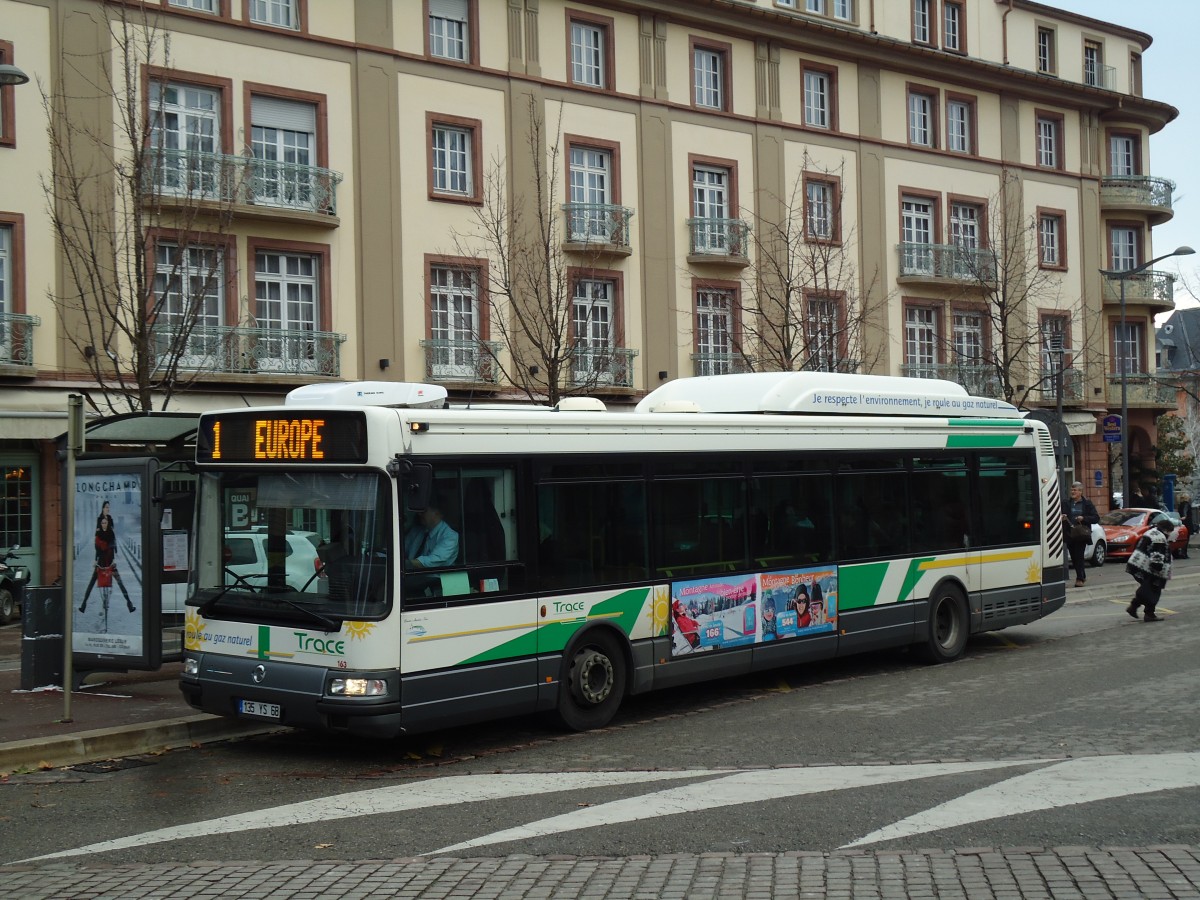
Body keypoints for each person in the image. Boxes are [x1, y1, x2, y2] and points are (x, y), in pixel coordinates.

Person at [79, 514, 135, 614]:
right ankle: (83, 604)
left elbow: (113, 548)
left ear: (108, 524)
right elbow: (97, 550)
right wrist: (95, 561)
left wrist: (113, 561)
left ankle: (129, 604)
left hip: (109, 561)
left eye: (105, 523)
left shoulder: (111, 534)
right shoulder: (98, 536)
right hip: (100, 562)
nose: (104, 525)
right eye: (102, 523)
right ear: (100, 524)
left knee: (120, 582)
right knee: (91, 583)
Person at [1125, 520, 1171, 622]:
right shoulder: (1160, 538)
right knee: (1153, 590)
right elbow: (1157, 557)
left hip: (1138, 564)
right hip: (1148, 568)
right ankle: (1148, 614)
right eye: (1170, 532)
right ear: (1167, 530)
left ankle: (1134, 607)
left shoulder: (1152, 532)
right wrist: (1158, 569)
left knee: (1147, 589)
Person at [1062, 482, 1099, 588]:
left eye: (1075, 490)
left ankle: (1080, 579)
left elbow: (1096, 518)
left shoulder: (1087, 503)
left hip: (1081, 534)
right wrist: (1062, 517)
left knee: (1079, 555)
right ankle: (1082, 575)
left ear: (1080, 491)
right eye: (1071, 490)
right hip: (1070, 533)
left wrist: (1084, 518)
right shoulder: (1066, 502)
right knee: (1073, 556)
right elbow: (1060, 513)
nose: (1072, 492)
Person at [404, 502, 459, 569]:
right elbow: (402, 549)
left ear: (437, 513)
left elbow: (432, 561)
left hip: (435, 577)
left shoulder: (450, 536)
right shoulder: (416, 531)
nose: (419, 514)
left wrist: (405, 563)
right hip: (410, 575)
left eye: (424, 511)